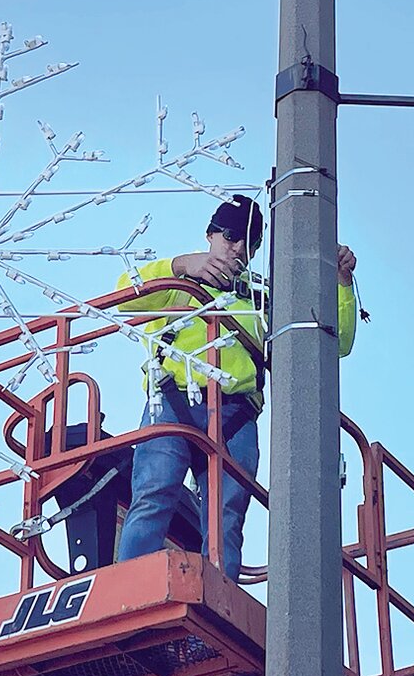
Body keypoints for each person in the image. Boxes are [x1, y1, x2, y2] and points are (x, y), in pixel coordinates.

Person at [115, 194, 357, 580]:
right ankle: (126, 590)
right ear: (211, 234)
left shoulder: (263, 298)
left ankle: (217, 604)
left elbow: (334, 343)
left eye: (250, 241)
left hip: (235, 416)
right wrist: (181, 265)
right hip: (173, 401)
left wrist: (341, 285)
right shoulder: (178, 280)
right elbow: (124, 296)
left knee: (225, 519)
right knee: (154, 494)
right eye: (230, 235)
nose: (238, 248)